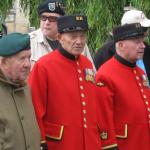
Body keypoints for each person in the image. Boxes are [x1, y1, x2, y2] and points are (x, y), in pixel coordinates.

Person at [29, 15, 118, 150]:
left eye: (82, 36)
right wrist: (41, 141)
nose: (79, 41)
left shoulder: (87, 63)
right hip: (60, 143)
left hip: (89, 141)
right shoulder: (44, 65)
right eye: (73, 36)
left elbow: (93, 104)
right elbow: (35, 107)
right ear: (59, 37)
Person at [96, 23, 150, 149]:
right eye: (137, 42)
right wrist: (109, 146)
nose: (143, 46)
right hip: (125, 144)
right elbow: (102, 118)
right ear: (120, 45)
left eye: (142, 41)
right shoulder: (105, 74)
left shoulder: (140, 72)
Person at [0, 33, 41, 150]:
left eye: (29, 57)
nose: (28, 64)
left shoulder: (25, 88)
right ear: (3, 62)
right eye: (22, 58)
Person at [30, 0, 94, 69]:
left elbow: (90, 70)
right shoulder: (29, 41)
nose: (47, 22)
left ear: (62, 21)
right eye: (43, 18)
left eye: (52, 18)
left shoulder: (78, 41)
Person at [94, 9, 150, 82]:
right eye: (143, 29)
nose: (145, 32)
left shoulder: (146, 48)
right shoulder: (105, 53)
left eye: (146, 28)